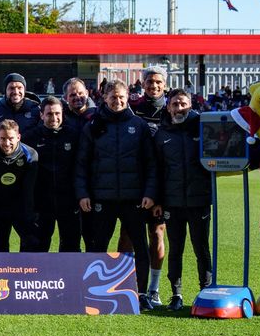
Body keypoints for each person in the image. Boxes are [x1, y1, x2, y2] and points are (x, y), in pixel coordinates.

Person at [75, 79, 159, 308]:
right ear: (104, 98)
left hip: (134, 199)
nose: (118, 101)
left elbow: (151, 164)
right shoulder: (93, 126)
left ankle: (140, 295)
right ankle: (92, 294)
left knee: (140, 247)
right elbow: (81, 164)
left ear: (128, 97)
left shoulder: (139, 125)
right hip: (102, 199)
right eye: (113, 97)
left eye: (121, 97)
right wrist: (83, 194)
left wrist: (150, 193)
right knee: (97, 246)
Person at [153, 89, 212, 310]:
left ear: (191, 105)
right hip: (173, 202)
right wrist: (159, 200)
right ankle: (176, 294)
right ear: (168, 107)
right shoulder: (161, 134)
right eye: (175, 104)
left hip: (199, 200)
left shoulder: (203, 128)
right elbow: (157, 170)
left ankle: (205, 291)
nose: (179, 108)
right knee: (176, 248)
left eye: (183, 104)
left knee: (201, 248)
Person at [127, 65, 168, 306]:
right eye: (149, 82)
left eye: (158, 82)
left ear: (164, 84)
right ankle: (126, 283)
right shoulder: (133, 109)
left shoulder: (172, 109)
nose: (153, 86)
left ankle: (153, 288)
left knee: (157, 233)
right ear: (142, 84)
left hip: (160, 185)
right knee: (128, 235)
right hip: (134, 184)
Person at [26, 96, 82, 252]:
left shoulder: (73, 135)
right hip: (41, 202)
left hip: (69, 201)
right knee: (39, 246)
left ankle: (69, 277)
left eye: (58, 114)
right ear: (42, 115)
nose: (54, 118)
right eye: (49, 114)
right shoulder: (30, 138)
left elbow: (80, 166)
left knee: (71, 245)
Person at [0, 120, 40, 252]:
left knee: (31, 241)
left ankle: (26, 271)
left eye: (11, 139)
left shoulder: (30, 155)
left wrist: (29, 217)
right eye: (3, 138)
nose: (7, 143)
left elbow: (29, 190)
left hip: (18, 204)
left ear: (18, 137)